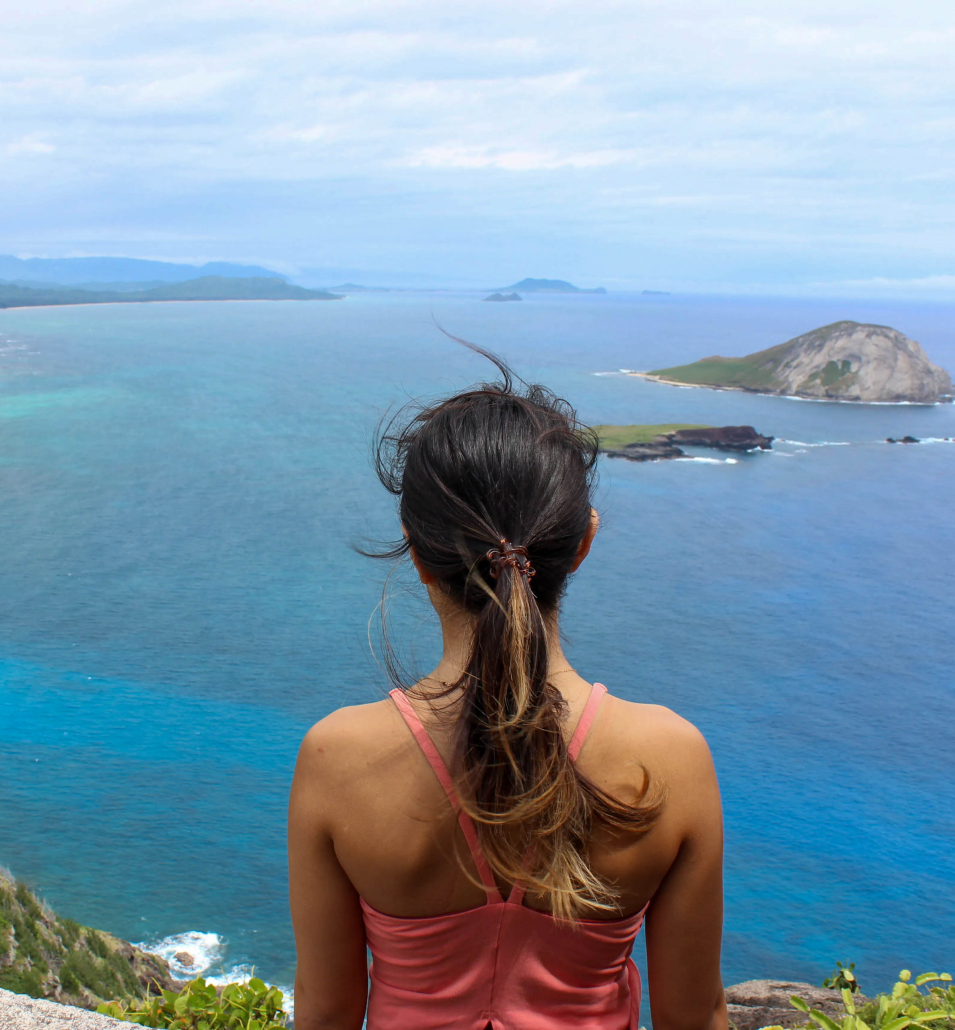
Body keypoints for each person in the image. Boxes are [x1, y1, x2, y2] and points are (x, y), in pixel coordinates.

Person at [288, 349, 726, 1030]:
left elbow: (325, 1012)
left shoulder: (337, 757)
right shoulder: (670, 757)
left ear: (418, 554)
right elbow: (693, 1017)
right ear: (582, 544)